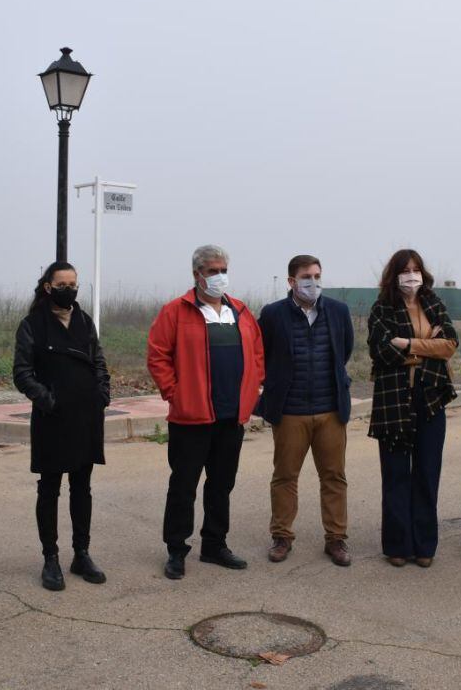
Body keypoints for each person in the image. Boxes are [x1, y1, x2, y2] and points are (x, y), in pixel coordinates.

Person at [147, 244, 265, 580]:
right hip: (191, 417)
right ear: (197, 274)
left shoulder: (240, 311)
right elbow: (157, 356)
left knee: (221, 484)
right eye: (213, 270)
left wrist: (253, 387)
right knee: (183, 485)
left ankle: (214, 544)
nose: (219, 276)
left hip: (231, 416)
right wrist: (176, 393)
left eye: (223, 269)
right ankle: (176, 549)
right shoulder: (176, 311)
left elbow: (258, 353)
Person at [13, 261, 110, 591]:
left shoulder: (84, 321)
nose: (69, 289)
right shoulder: (32, 325)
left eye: (73, 283)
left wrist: (102, 395)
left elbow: (99, 361)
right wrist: (49, 400)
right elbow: (22, 374)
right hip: (52, 419)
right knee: (50, 488)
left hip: (86, 417)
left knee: (82, 487)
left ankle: (81, 554)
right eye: (62, 284)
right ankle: (50, 558)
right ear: (48, 287)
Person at [256, 255, 355, 566]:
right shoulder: (273, 314)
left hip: (330, 410)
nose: (313, 282)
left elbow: (346, 349)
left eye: (316, 275)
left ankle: (336, 539)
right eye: (306, 277)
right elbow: (262, 353)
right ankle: (282, 536)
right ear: (291, 282)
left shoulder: (338, 311)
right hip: (290, 412)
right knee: (285, 476)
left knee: (334, 477)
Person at [366, 249, 458, 568]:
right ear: (394, 274)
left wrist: (407, 344)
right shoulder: (382, 308)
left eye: (415, 269)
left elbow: (449, 345)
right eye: (405, 270)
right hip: (393, 398)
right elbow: (380, 352)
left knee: (426, 472)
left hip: (430, 395)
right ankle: (397, 544)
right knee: (395, 474)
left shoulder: (433, 304)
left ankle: (424, 545)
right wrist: (426, 346)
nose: (411, 275)